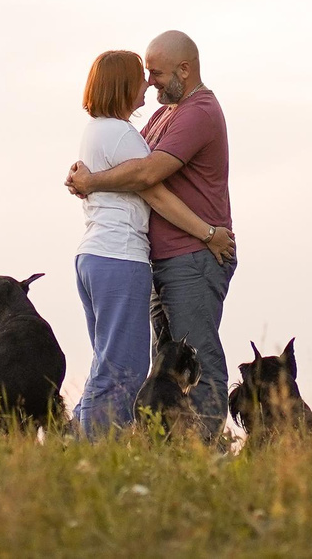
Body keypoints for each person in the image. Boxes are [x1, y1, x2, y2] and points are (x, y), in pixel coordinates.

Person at [65, 30, 234, 440]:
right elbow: (128, 167)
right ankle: (160, 449)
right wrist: (90, 175)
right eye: (145, 74)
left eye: (156, 73)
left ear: (184, 69)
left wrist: (91, 180)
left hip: (192, 256)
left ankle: (202, 457)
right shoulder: (160, 117)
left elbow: (146, 176)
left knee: (197, 361)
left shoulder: (199, 112)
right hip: (153, 258)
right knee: (158, 368)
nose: (149, 81)